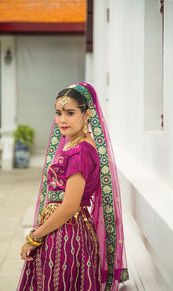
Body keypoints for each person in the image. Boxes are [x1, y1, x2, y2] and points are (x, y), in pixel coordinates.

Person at [17, 82, 129, 291]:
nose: (62, 120)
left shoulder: (79, 153)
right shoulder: (78, 145)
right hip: (68, 231)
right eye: (59, 113)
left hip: (65, 237)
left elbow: (69, 206)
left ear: (87, 114)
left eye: (70, 113)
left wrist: (33, 239)